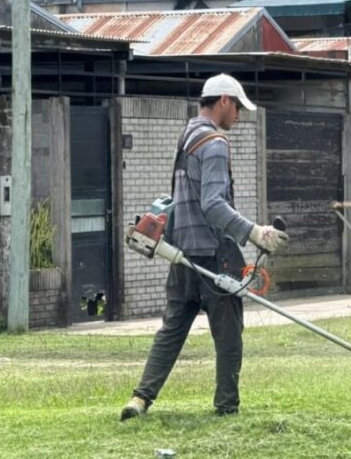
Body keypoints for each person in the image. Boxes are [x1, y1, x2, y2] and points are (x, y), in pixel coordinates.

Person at [120, 74, 288, 420]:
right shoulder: (215, 143)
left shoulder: (187, 136)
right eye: (237, 106)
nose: (238, 115)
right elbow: (212, 204)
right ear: (223, 100)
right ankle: (226, 406)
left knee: (172, 330)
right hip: (214, 254)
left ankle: (139, 399)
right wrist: (255, 232)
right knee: (229, 335)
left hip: (180, 251)